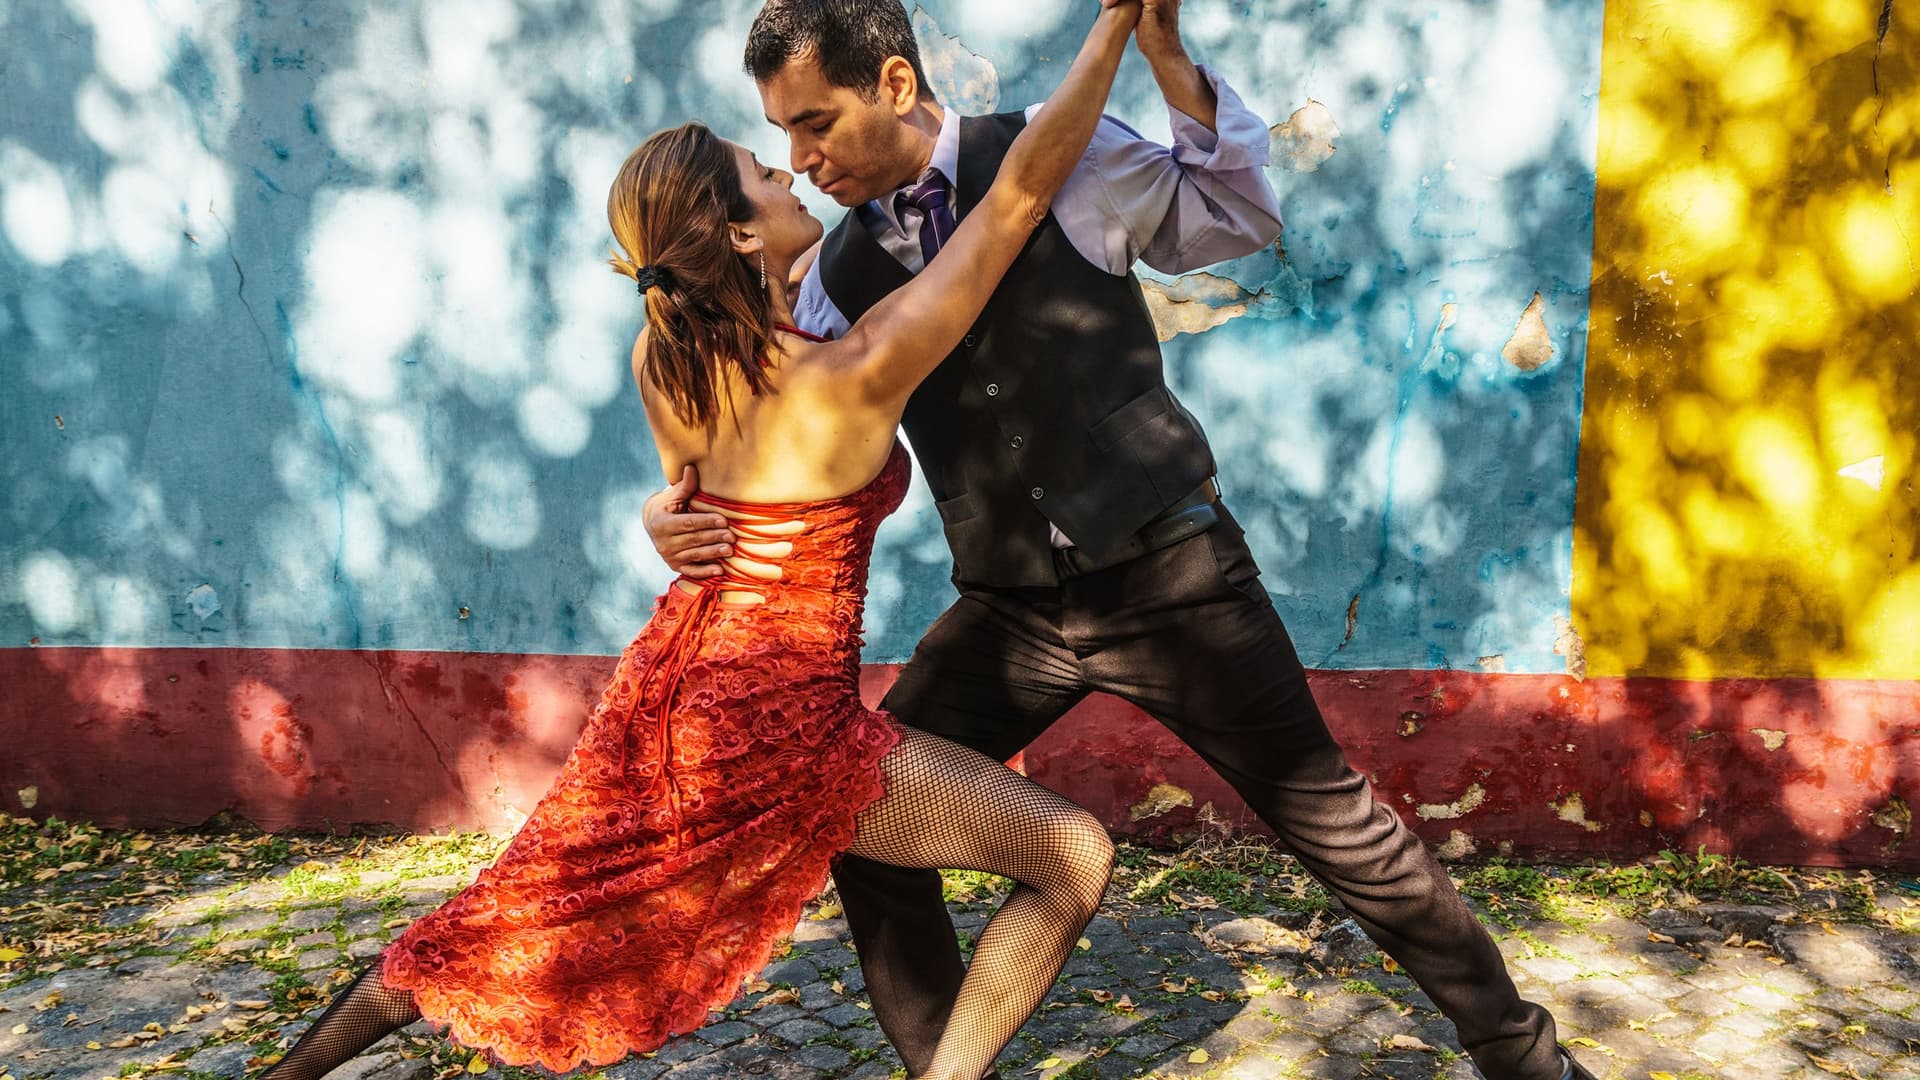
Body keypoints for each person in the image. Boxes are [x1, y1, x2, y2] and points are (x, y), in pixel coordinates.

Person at [642, 1, 1596, 1078]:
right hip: (1010, 604)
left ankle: (1528, 1062)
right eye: (782, 136)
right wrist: (666, 509)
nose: (802, 159)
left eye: (815, 123)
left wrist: (1168, 58)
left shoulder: (1068, 153)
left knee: (1343, 833)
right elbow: (761, 432)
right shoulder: (832, 279)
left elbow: (1237, 217)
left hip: (1171, 572)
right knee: (863, 815)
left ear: (896, 85)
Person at [257, 5, 1146, 1079]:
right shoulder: (852, 372)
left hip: (671, 697)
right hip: (781, 728)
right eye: (763, 176)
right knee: (1071, 853)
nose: (789, 173)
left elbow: (698, 492)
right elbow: (1017, 197)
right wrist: (1116, 24)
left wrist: (656, 516)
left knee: (522, 911)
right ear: (739, 236)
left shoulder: (662, 358)